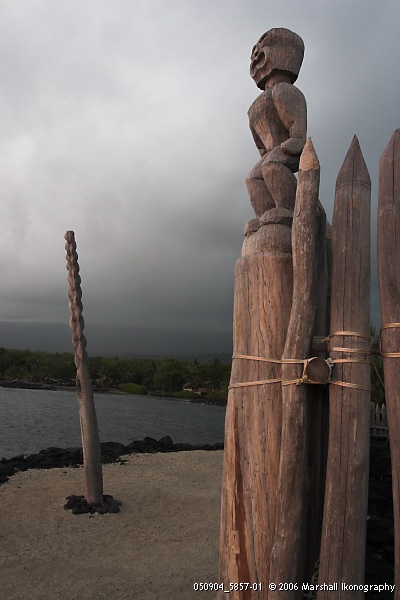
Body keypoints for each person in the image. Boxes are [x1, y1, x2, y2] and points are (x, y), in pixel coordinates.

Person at [246, 28, 307, 216]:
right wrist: (266, 154)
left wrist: (295, 142)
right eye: (253, 53)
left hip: (290, 149)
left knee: (271, 165)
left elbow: (297, 128)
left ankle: (287, 208)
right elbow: (261, 145)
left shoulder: (284, 90)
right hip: (272, 154)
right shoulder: (254, 108)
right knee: (252, 178)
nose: (256, 57)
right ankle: (264, 214)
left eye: (262, 50)